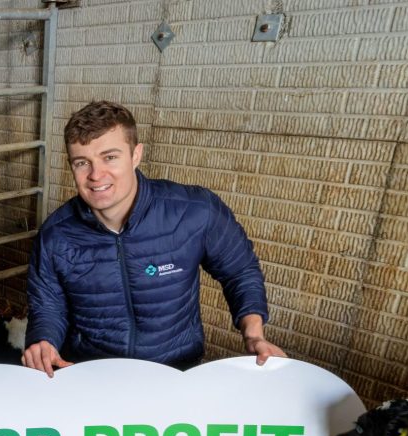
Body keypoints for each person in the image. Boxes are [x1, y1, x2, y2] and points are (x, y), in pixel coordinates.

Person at [23, 100, 286, 377]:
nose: (96, 175)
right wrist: (44, 341)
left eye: (110, 157)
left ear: (136, 155)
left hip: (176, 371)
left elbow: (240, 271)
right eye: (82, 163)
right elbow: (47, 305)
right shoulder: (55, 235)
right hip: (92, 376)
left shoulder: (195, 211)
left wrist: (254, 334)